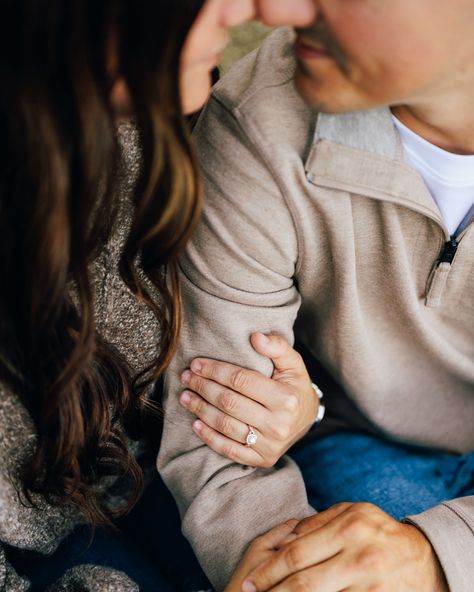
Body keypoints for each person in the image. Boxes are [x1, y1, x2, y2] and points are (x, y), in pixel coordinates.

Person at [0, 0, 317, 590]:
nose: (258, 10)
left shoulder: (170, 117)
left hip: (170, 486)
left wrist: (296, 404)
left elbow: (259, 318)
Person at [159, 1, 474, 591]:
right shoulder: (259, 121)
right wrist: (295, 577)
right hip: (347, 440)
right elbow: (216, 439)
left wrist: (442, 556)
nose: (275, 6)